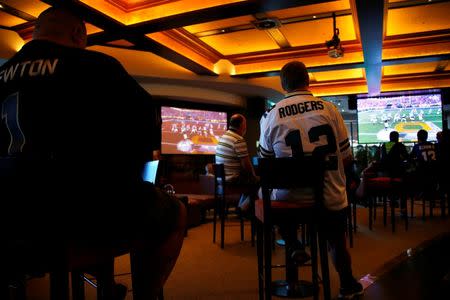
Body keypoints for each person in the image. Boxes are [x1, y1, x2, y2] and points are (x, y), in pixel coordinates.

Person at [0, 6, 185, 299]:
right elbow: (141, 134)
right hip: (82, 216)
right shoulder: (98, 66)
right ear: (78, 34)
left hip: (8, 216)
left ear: (34, 33)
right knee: (174, 211)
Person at [258, 61, 363, 299]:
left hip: (289, 201)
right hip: (328, 198)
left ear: (283, 85)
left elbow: (266, 166)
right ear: (308, 80)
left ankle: (293, 242)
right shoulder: (329, 109)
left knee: (268, 196)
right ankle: (347, 282)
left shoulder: (270, 116)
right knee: (337, 240)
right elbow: (346, 159)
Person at [215, 113, 259, 212]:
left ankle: (241, 207)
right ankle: (243, 209)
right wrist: (254, 176)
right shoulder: (238, 140)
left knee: (251, 182)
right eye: (245, 124)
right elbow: (246, 165)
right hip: (232, 180)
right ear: (242, 125)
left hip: (222, 180)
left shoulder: (222, 137)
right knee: (260, 183)